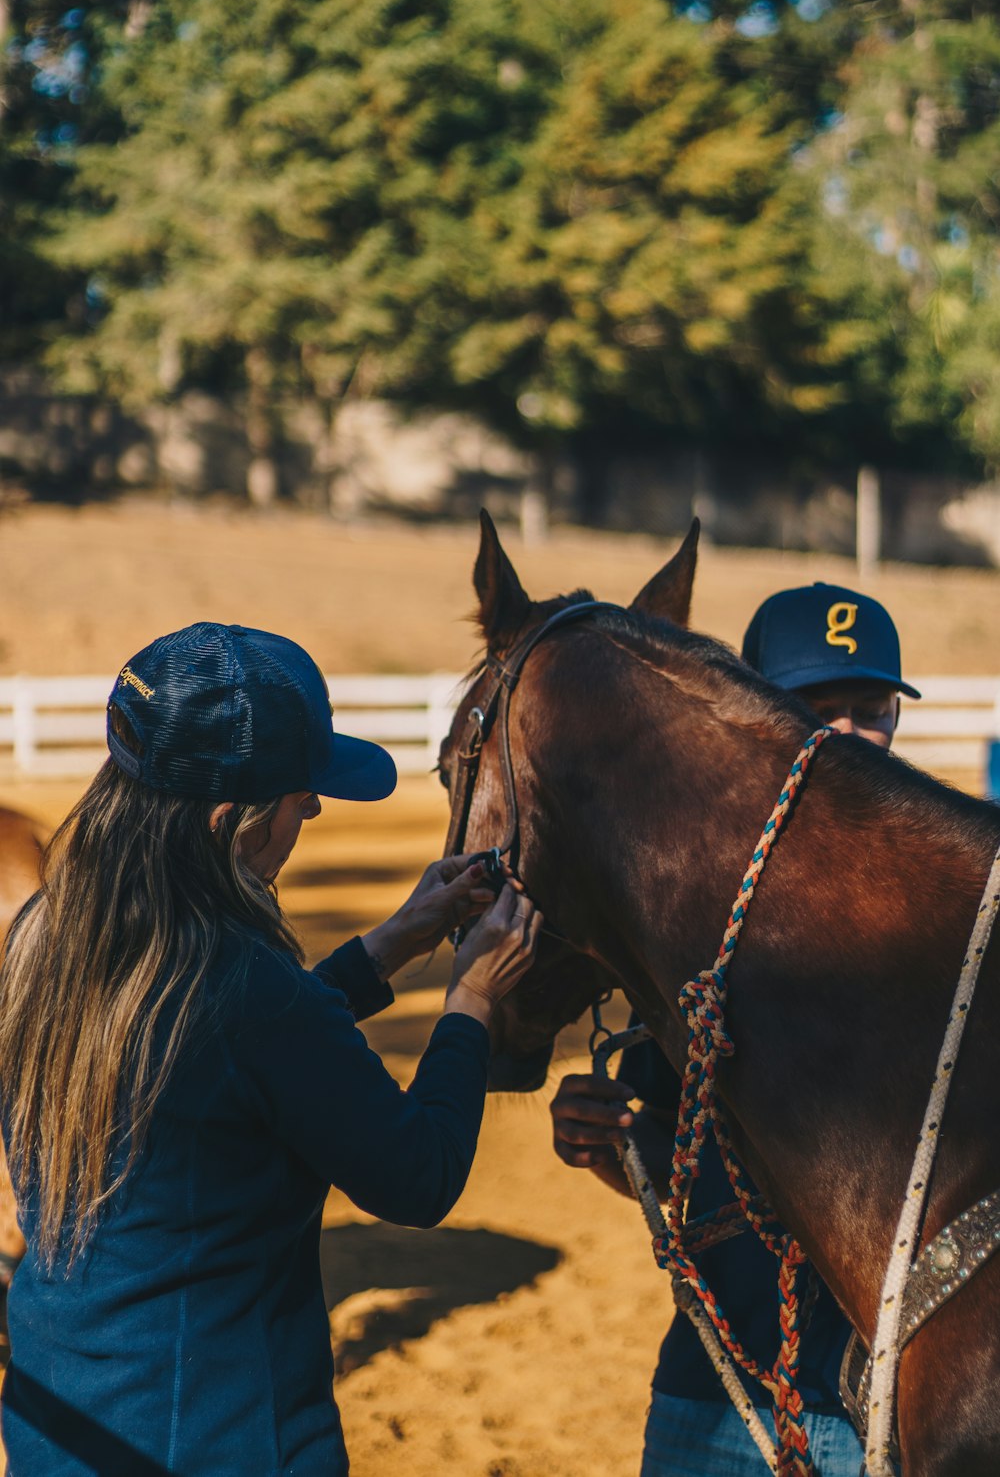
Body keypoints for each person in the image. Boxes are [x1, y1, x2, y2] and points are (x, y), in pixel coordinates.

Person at [0, 621, 542, 1477]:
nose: (314, 808)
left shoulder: (43, 940)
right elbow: (419, 1177)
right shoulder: (249, 989)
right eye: (299, 794)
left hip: (60, 1429)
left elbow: (213, 1068)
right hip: (227, 1443)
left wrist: (392, 942)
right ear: (230, 821)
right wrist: (471, 1000)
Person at [550, 582, 919, 1477]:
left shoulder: (954, 914)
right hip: (717, 1388)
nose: (851, 737)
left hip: (908, 1407)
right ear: (756, 718)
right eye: (814, 711)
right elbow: (673, 1152)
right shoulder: (693, 920)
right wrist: (609, 1143)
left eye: (873, 711)